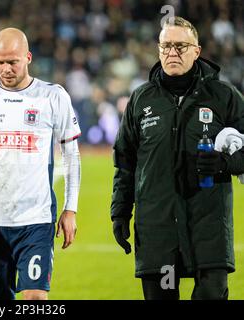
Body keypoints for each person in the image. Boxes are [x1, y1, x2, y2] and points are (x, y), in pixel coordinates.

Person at [111, 16, 244, 300]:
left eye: (180, 46)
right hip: (157, 229)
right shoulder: (141, 100)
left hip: (209, 228)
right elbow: (125, 161)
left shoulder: (224, 97)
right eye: (166, 46)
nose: (172, 52)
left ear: (197, 51)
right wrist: (120, 212)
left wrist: (226, 163)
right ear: (158, 50)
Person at [0, 28, 81, 300]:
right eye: (0, 62)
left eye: (12, 61)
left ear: (28, 57)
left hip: (35, 220)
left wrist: (70, 208)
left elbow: (71, 155)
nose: (6, 69)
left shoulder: (52, 96)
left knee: (35, 298)